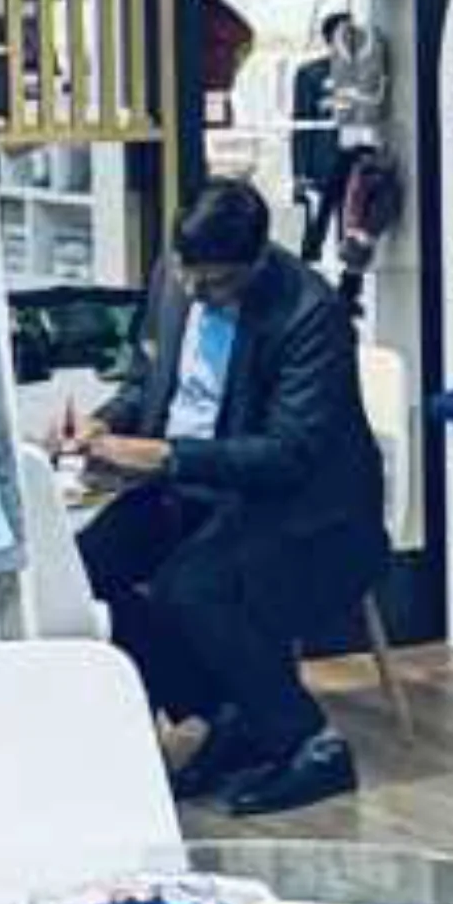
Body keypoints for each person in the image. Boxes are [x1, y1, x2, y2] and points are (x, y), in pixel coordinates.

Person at [73, 177, 382, 814]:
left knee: (194, 585)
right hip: (190, 484)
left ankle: (311, 742)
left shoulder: (309, 313)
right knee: (82, 571)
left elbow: (289, 454)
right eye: (188, 275)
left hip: (305, 510)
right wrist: (107, 423)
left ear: (256, 262)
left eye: (214, 284)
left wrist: (163, 457)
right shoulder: (175, 276)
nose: (195, 293)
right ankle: (226, 710)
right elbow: (150, 382)